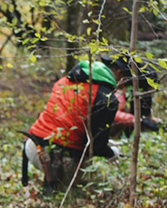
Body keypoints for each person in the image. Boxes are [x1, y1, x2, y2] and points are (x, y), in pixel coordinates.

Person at [21, 61, 121, 195]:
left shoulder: (63, 82)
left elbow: (68, 125)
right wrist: (111, 153)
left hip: (32, 145)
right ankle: (59, 186)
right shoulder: (106, 98)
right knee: (108, 185)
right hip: (54, 157)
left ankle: (56, 184)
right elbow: (95, 145)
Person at [101, 55, 161, 137]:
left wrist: (148, 121)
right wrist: (136, 120)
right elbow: (113, 113)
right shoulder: (116, 90)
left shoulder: (142, 96)